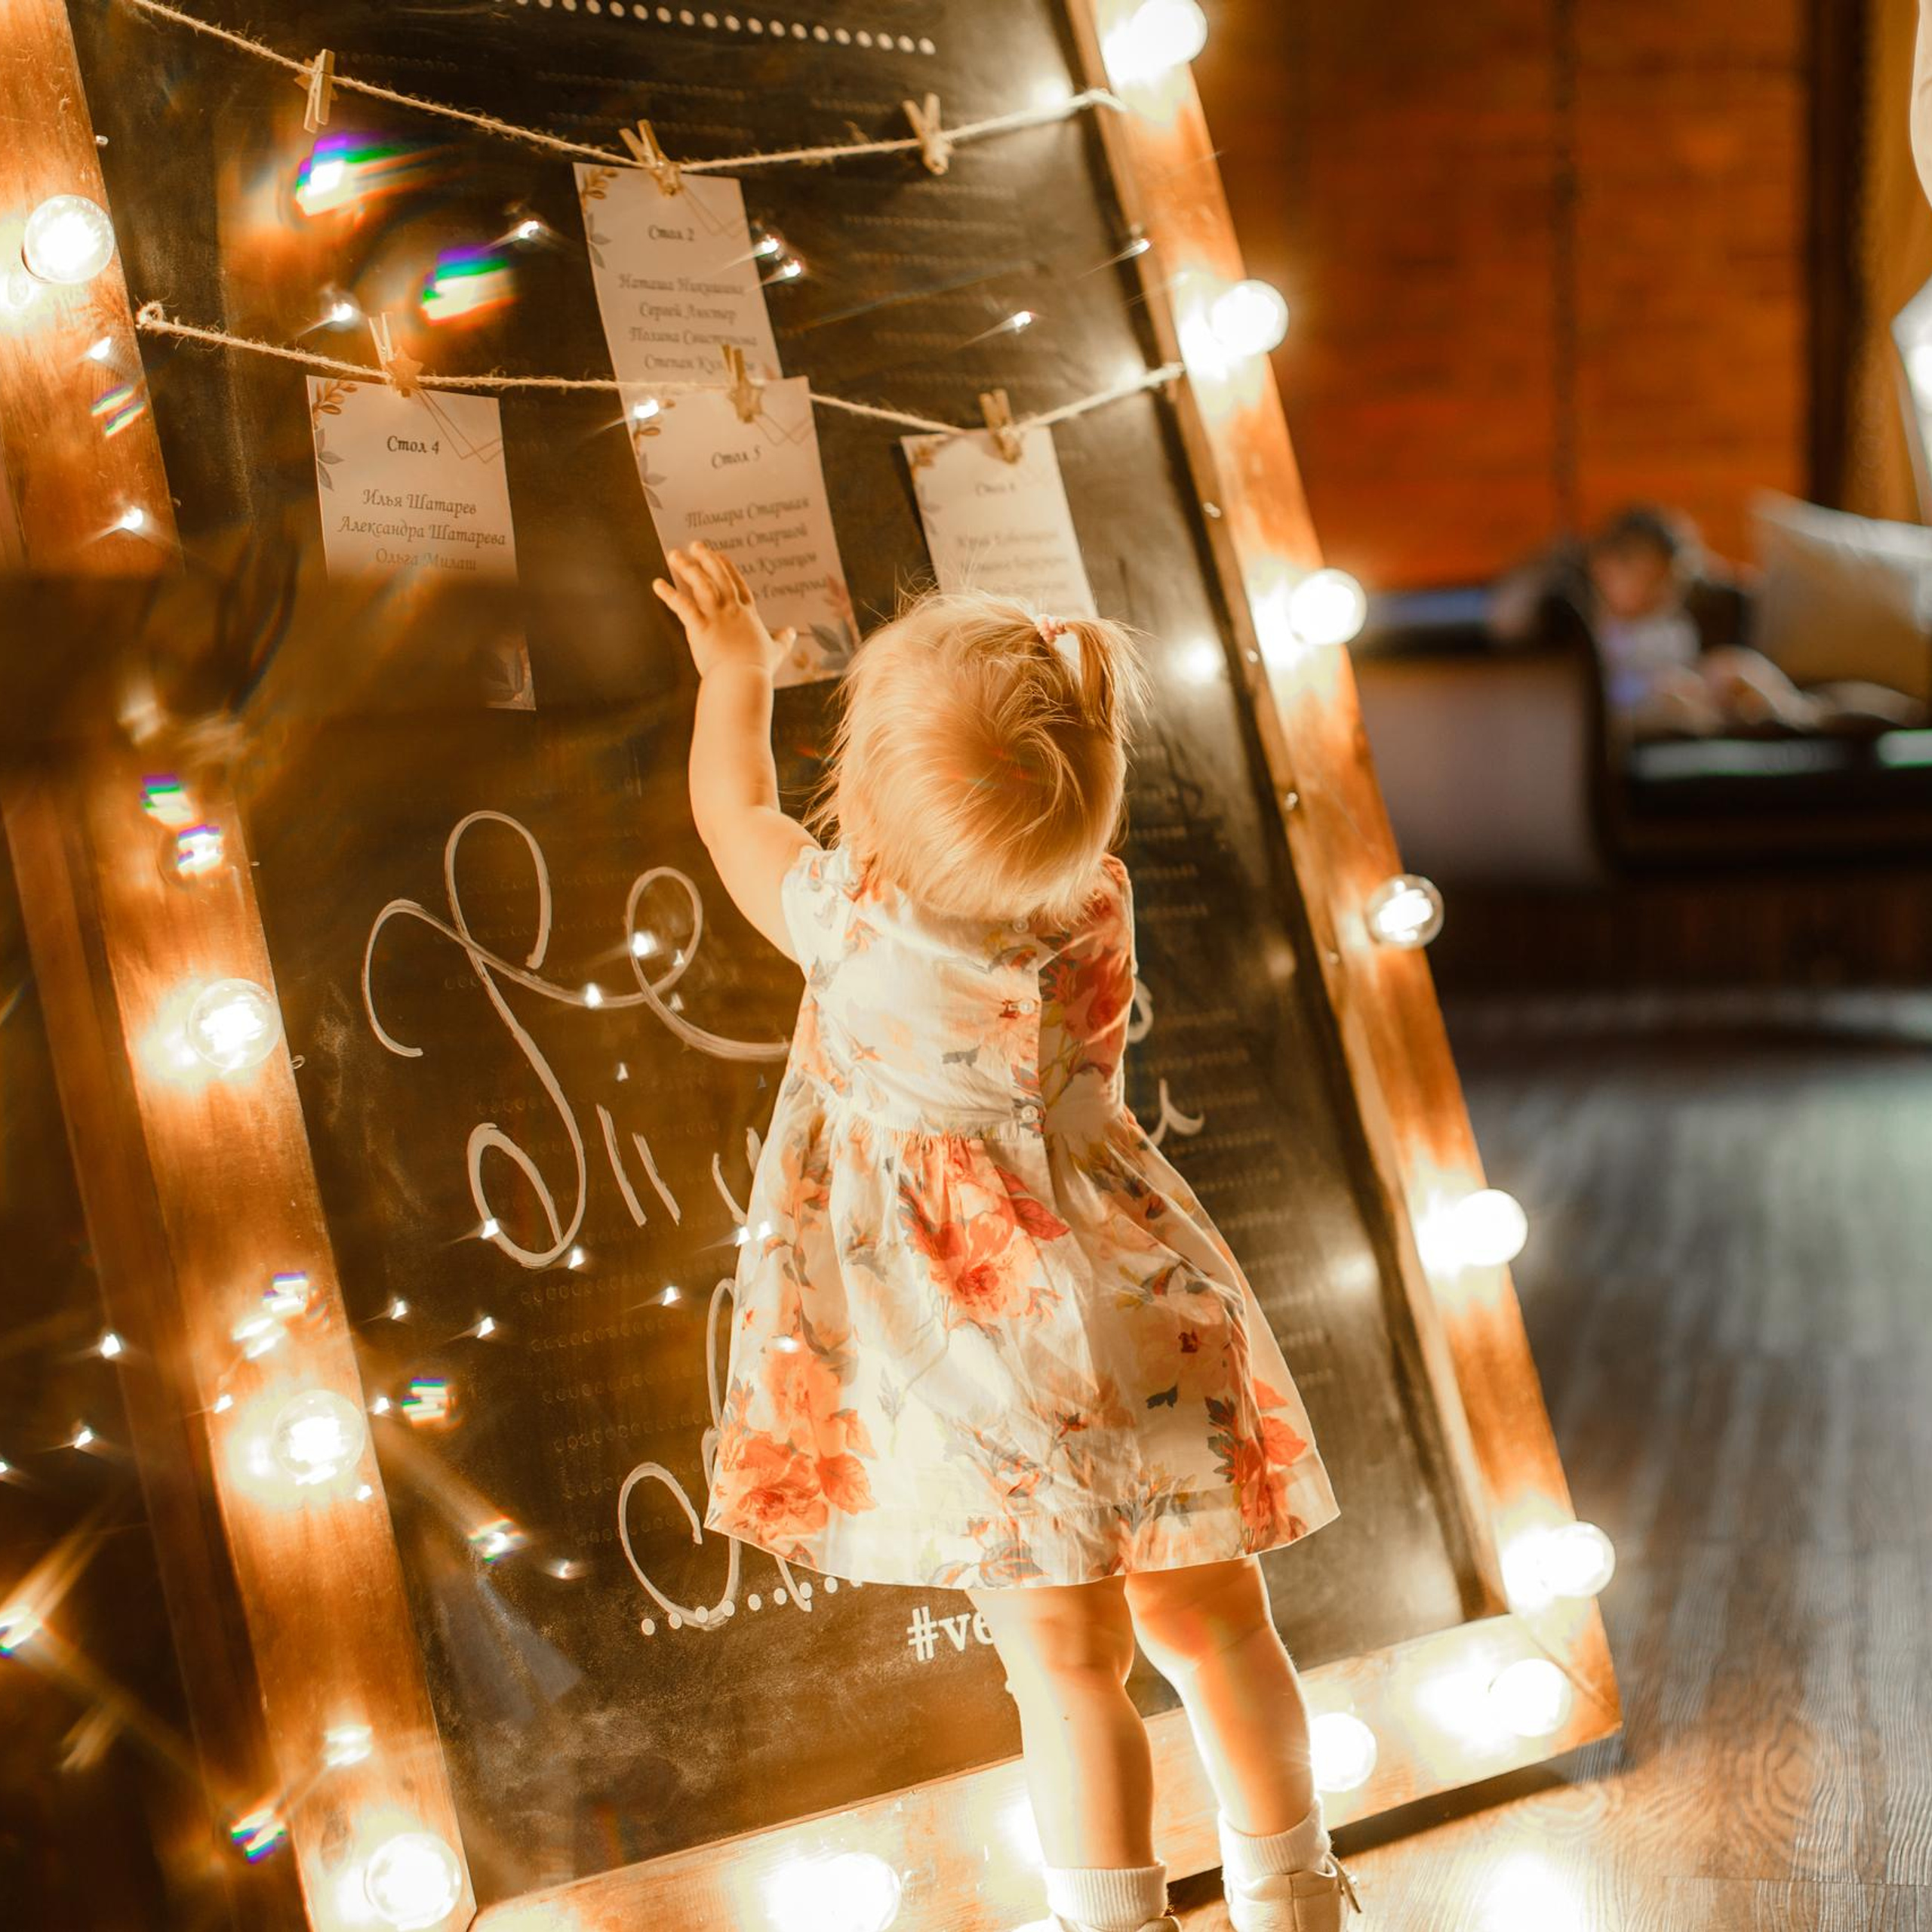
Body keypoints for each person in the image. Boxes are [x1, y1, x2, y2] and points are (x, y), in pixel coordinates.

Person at [651, 542, 1355, 1932]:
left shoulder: (841, 918)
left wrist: (733, 671)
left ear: (862, 805)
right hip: (1147, 1298)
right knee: (1220, 1626)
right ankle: (1299, 1896)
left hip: (990, 1361)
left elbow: (730, 806)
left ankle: (1119, 1919)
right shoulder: (1094, 899)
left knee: (1066, 1664)